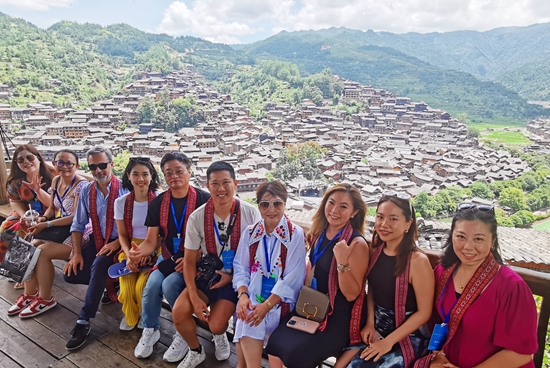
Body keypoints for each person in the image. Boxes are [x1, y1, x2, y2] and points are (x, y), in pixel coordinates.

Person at [414, 203, 538, 368]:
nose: (468, 247)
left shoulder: (511, 287)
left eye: (478, 239)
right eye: (461, 237)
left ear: (492, 240)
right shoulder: (443, 272)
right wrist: (438, 356)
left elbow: (521, 353)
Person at [265, 183, 370, 368]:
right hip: (312, 306)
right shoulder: (320, 232)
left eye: (344, 206)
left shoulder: (356, 243)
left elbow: (352, 294)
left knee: (297, 355)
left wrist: (342, 262)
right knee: (275, 344)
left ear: (354, 212)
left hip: (337, 316)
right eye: (331, 203)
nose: (335, 210)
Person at [171, 161, 261, 368]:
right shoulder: (198, 217)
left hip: (236, 280)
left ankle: (217, 335)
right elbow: (190, 260)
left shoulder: (250, 213)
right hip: (208, 274)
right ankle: (196, 350)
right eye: (215, 183)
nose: (221, 189)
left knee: (217, 325)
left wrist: (232, 278)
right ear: (207, 185)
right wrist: (193, 296)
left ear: (235, 183)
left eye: (226, 182)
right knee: (179, 312)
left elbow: (256, 258)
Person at [128, 153, 210, 362]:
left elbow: (211, 240)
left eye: (179, 171)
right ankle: (151, 329)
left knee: (171, 286)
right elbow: (151, 240)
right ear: (164, 176)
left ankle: (183, 331)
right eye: (169, 173)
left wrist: (194, 257)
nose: (174, 176)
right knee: (151, 286)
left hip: (194, 260)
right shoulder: (159, 203)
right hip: (167, 257)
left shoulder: (204, 200)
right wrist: (137, 253)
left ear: (189, 172)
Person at [345, 191, 433, 368]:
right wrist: (370, 322)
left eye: (393, 219)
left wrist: (388, 342)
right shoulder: (375, 250)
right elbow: (372, 290)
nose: (384, 224)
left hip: (408, 334)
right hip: (378, 326)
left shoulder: (417, 261)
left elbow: (424, 313)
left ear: (408, 224)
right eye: (380, 217)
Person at [233, 181, 307, 368]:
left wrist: (266, 305)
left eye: (277, 203)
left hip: (280, 301)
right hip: (252, 297)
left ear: (285, 204)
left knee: (250, 317)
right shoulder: (251, 233)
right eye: (265, 204)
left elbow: (293, 277)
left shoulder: (294, 234)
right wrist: (242, 295)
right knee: (247, 313)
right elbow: (240, 266)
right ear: (259, 206)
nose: (271, 209)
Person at [8, 149, 89, 318]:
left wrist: (46, 224)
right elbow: (53, 208)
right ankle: (30, 294)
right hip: (62, 227)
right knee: (31, 245)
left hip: (80, 231)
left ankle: (46, 299)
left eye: (69, 163)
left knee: (42, 252)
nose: (65, 167)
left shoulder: (82, 186)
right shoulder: (56, 181)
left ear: (76, 166)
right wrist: (42, 218)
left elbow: (76, 217)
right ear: (54, 164)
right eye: (60, 162)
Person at [63, 146, 128, 350]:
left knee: (99, 266)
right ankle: (105, 285)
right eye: (93, 167)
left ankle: (83, 320)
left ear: (112, 164)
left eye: (102, 165)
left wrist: (117, 242)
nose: (98, 171)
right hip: (99, 239)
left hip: (122, 242)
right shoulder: (87, 191)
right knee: (71, 274)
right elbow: (78, 225)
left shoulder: (126, 189)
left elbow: (137, 223)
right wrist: (77, 254)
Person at [114, 157, 161, 330]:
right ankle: (130, 314)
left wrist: (149, 253)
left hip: (155, 247)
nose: (140, 179)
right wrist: (129, 255)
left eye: (145, 174)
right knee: (126, 289)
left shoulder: (159, 200)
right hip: (131, 247)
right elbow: (122, 234)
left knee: (142, 286)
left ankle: (145, 315)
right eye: (136, 174)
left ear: (151, 176)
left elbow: (160, 235)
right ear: (128, 176)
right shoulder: (121, 202)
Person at [0, 145, 54, 282]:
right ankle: (13, 267)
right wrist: (23, 214)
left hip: (51, 213)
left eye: (30, 157)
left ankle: (23, 270)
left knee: (27, 231)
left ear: (38, 159)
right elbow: (14, 201)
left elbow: (55, 205)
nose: (26, 161)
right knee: (6, 229)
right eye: (20, 160)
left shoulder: (53, 177)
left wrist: (43, 217)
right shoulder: (17, 182)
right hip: (27, 212)